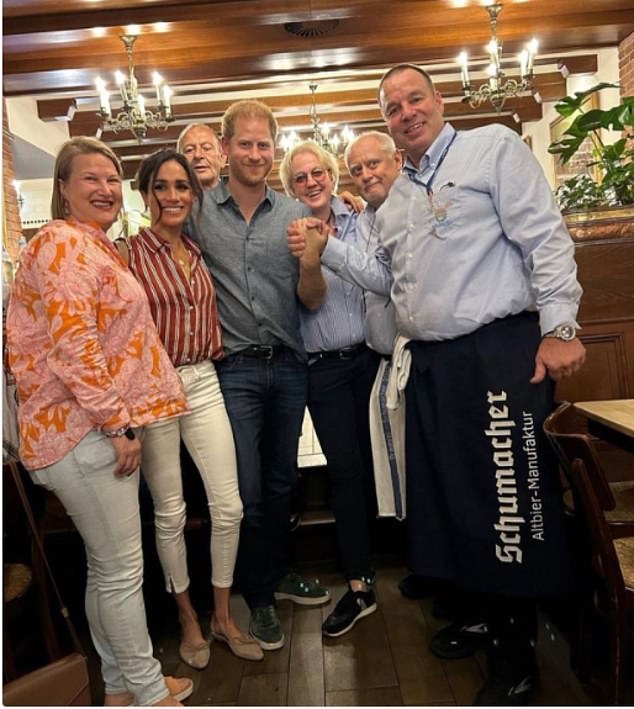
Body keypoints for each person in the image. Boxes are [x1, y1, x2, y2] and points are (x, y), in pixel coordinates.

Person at [375, 64, 586, 705]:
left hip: (497, 355)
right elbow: (386, 276)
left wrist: (560, 325)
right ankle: (482, 618)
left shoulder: (491, 146)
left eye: (416, 98)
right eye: (392, 107)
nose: (407, 112)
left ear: (440, 101)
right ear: (385, 124)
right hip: (435, 366)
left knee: (508, 503)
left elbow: (545, 238)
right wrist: (320, 248)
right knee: (455, 501)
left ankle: (519, 656)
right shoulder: (401, 197)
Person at [5, 137, 194, 707]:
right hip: (81, 432)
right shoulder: (63, 245)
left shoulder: (90, 246)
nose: (105, 189)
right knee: (121, 571)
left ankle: (116, 685)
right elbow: (75, 345)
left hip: (80, 431)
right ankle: (146, 688)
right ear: (62, 190)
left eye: (111, 179)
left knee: (105, 566)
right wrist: (116, 424)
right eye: (90, 178)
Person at [185, 100, 330, 652]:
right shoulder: (197, 213)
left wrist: (312, 260)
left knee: (280, 482)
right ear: (225, 149)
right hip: (232, 372)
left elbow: (313, 301)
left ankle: (272, 579)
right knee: (243, 489)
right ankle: (261, 597)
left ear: (274, 146)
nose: (253, 153)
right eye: (242, 144)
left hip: (289, 366)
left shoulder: (297, 214)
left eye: (262, 144)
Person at [123, 148, 263, 665]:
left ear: (194, 195)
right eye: (162, 186)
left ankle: (223, 616)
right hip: (153, 388)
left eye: (183, 186)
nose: (174, 196)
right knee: (171, 512)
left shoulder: (199, 251)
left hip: (204, 379)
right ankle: (187, 618)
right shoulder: (127, 254)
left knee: (229, 505)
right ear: (145, 193)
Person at [280, 140, 381, 637]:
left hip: (374, 360)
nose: (312, 182)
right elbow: (310, 302)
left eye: (318, 171)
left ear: (332, 173)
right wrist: (310, 255)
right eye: (300, 177)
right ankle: (359, 583)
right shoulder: (289, 232)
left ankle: (416, 563)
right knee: (345, 471)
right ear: (289, 186)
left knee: (387, 462)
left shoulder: (363, 215)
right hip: (323, 370)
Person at [177, 123, 225, 189]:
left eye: (206, 148)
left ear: (222, 158)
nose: (198, 155)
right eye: (189, 150)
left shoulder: (239, 197)